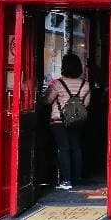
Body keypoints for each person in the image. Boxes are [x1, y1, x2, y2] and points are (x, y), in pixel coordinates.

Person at [44, 53, 91, 190]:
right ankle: (77, 178)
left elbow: (47, 101)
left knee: (63, 148)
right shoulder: (85, 84)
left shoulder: (58, 84)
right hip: (77, 121)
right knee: (76, 148)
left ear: (64, 67)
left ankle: (66, 181)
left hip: (59, 120)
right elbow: (86, 105)